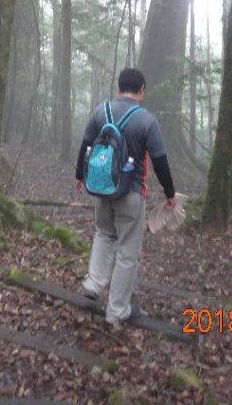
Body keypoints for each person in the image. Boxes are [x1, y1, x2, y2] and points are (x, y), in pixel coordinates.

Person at [75, 67, 175, 328]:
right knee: (127, 253)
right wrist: (169, 193)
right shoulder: (146, 120)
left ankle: (94, 283)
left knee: (103, 233)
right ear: (141, 90)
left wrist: (79, 176)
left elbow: (86, 145)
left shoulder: (101, 111)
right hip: (130, 193)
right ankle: (117, 311)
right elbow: (160, 160)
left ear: (119, 87)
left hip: (101, 187)